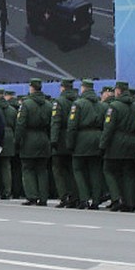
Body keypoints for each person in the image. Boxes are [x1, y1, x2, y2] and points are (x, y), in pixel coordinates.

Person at [101, 80, 135, 212]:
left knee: (109, 170)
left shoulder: (114, 106)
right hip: (132, 142)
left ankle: (116, 198)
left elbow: (108, 128)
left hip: (116, 144)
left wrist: (103, 145)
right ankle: (129, 202)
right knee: (128, 173)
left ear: (118, 91)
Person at [67, 79, 106, 209]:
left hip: (82, 139)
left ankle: (83, 198)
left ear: (83, 88)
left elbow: (72, 126)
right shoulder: (101, 105)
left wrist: (70, 143)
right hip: (97, 137)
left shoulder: (78, 104)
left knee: (78, 169)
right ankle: (95, 200)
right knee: (95, 171)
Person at [15, 78, 52, 206]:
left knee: (28, 168)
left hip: (29, 139)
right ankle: (43, 197)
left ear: (31, 88)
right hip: (43, 138)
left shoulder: (26, 104)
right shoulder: (48, 104)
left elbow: (20, 124)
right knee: (42, 169)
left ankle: (32, 195)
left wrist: (17, 141)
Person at [49, 79, 80, 208]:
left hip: (61, 139)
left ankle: (64, 196)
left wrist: (53, 140)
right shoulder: (77, 101)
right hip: (74, 139)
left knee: (58, 170)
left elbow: (56, 122)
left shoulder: (59, 102)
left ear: (62, 88)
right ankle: (75, 196)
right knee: (72, 170)